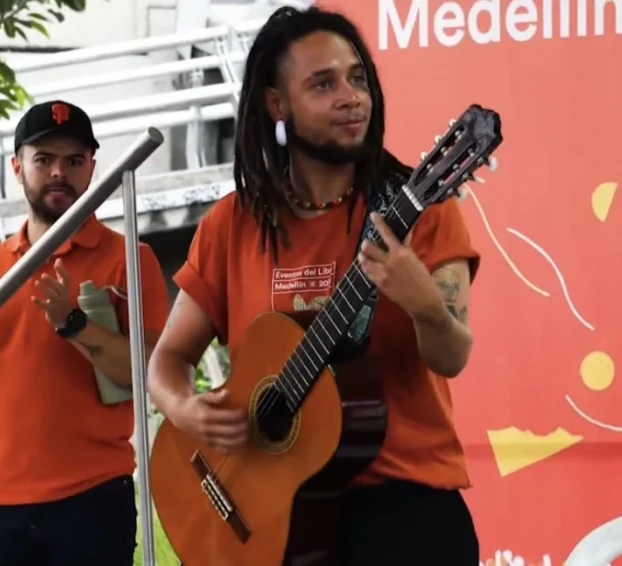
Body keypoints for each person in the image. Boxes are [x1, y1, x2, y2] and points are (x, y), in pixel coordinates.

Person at [147, 6, 481, 566]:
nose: (351, 97)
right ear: (277, 104)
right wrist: (186, 410)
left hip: (405, 511)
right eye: (323, 84)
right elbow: (166, 363)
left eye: (357, 78)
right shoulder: (231, 225)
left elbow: (452, 355)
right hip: (274, 517)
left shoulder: (422, 212)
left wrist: (426, 307)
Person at [0, 100, 171, 566]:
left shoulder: (130, 258)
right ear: (17, 168)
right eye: (44, 159)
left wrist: (73, 323)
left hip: (95, 494)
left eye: (74, 160)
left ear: (93, 168)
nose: (59, 171)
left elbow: (148, 375)